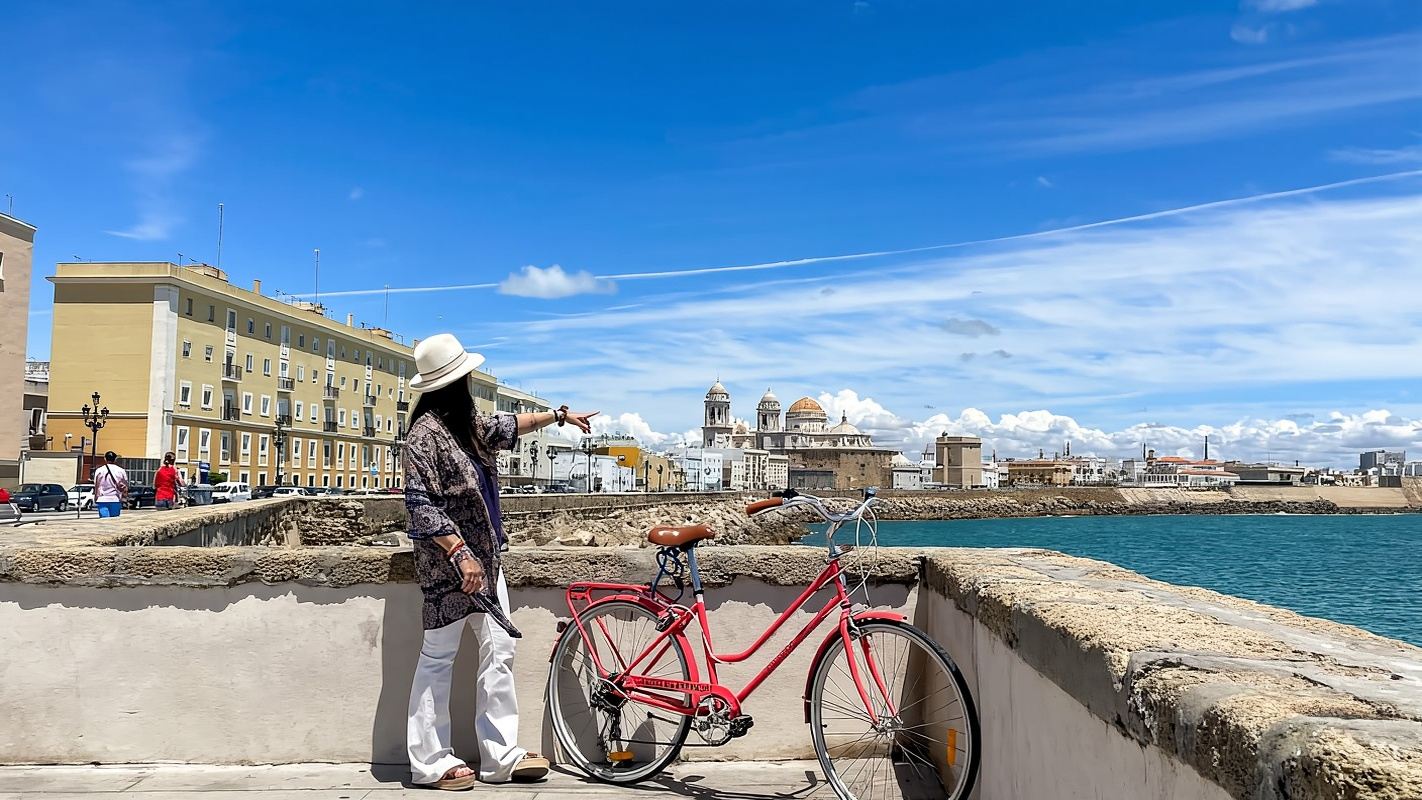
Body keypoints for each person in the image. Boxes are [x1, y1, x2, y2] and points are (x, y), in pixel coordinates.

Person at [403, 333, 596, 790]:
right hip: (450, 571)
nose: (469, 381)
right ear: (453, 382)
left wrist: (561, 416)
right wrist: (459, 552)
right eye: (464, 376)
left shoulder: (467, 424)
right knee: (438, 658)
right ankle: (429, 762)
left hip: (487, 564)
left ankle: (500, 756)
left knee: (500, 654)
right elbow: (420, 505)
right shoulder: (424, 436)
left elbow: (511, 424)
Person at [92, 451, 128, 518]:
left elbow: (96, 484)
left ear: (105, 459)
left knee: (104, 521)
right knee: (114, 521)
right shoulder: (121, 470)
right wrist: (124, 497)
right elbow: (125, 485)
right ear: (115, 459)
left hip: (102, 498)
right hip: (116, 498)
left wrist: (96, 496)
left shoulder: (99, 470)